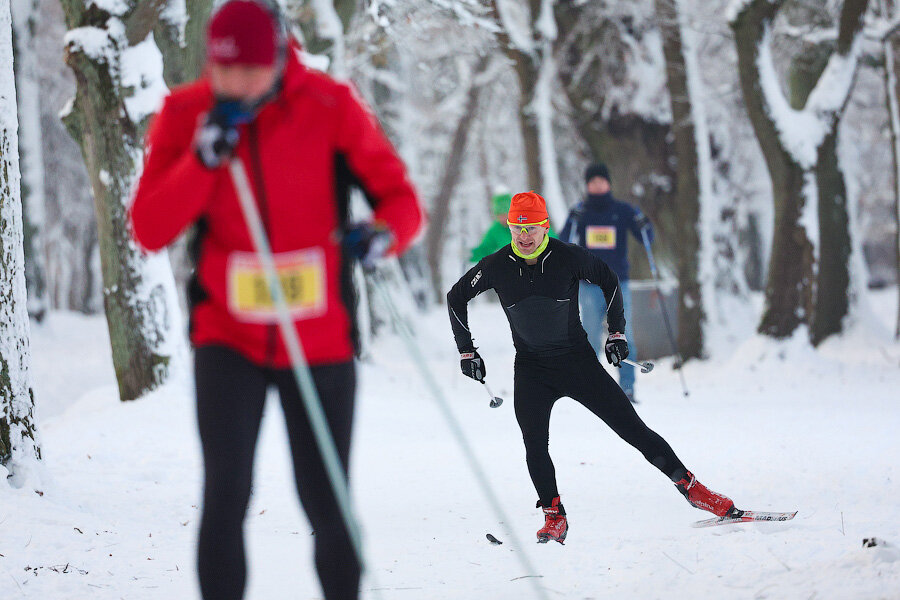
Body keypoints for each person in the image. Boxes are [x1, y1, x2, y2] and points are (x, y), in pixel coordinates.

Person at [129, 1, 423, 598]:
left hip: (319, 339)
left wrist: (383, 234)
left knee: (326, 495)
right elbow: (150, 226)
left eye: (249, 72)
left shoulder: (327, 106)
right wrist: (201, 161)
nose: (234, 84)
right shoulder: (188, 113)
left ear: (279, 59)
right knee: (227, 491)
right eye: (222, 70)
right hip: (227, 336)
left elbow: (401, 201)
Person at [447, 191, 735, 544]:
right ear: (509, 227)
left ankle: (693, 489)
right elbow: (455, 297)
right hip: (532, 370)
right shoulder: (496, 266)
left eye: (531, 228)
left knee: (632, 429)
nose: (523, 236)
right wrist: (467, 352)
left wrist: (616, 332)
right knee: (534, 443)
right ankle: (554, 516)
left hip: (577, 363)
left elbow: (609, 280)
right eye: (516, 228)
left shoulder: (568, 257)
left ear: (545, 227)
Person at [560, 162, 652, 403]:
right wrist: (572, 221)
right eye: (592, 182)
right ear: (587, 185)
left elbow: (647, 238)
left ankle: (628, 389)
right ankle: (592, 389)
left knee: (623, 335)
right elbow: (563, 241)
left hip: (617, 284)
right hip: (589, 285)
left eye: (601, 180)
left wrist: (644, 223)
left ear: (608, 183)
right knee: (590, 337)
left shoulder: (623, 210)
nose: (597, 185)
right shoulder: (580, 211)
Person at [469, 190, 558, 263]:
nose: (502, 218)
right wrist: (471, 255)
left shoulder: (529, 221)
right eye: (499, 215)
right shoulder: (496, 230)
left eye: (505, 213)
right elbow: (486, 248)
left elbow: (553, 242)